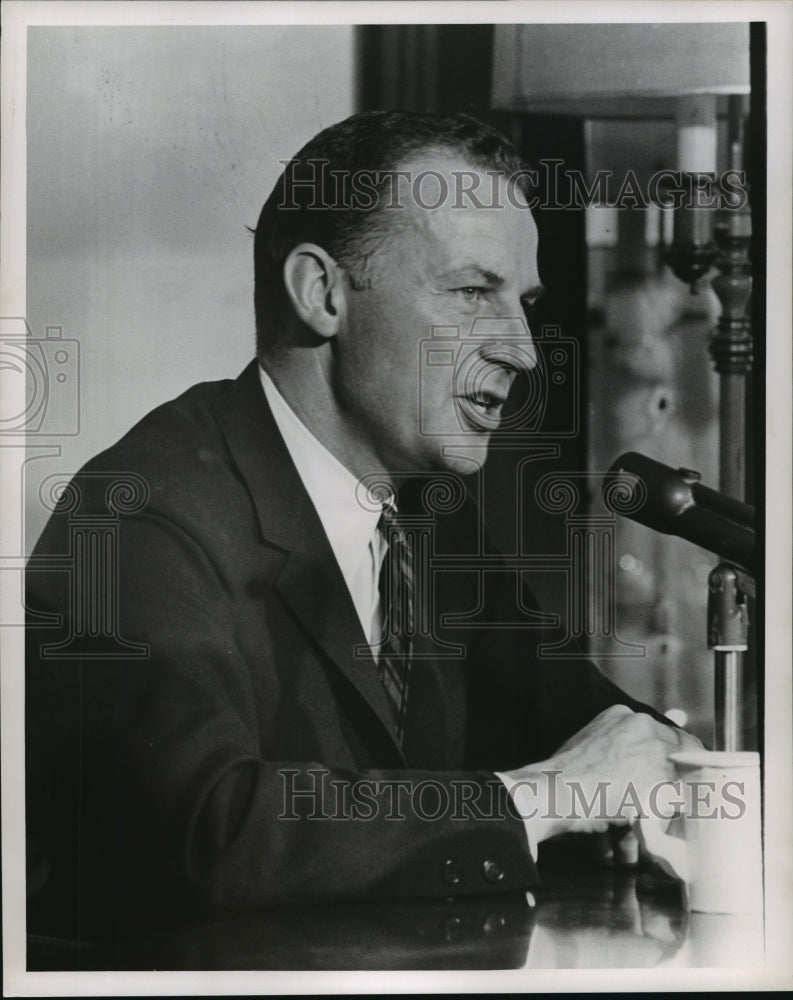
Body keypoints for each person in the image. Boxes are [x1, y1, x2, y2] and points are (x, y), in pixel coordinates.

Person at [25, 111, 699, 936]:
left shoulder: (424, 514)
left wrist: (669, 775)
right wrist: (549, 796)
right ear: (322, 294)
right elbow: (214, 827)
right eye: (471, 291)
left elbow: (593, 726)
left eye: (520, 302)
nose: (522, 350)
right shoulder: (137, 513)